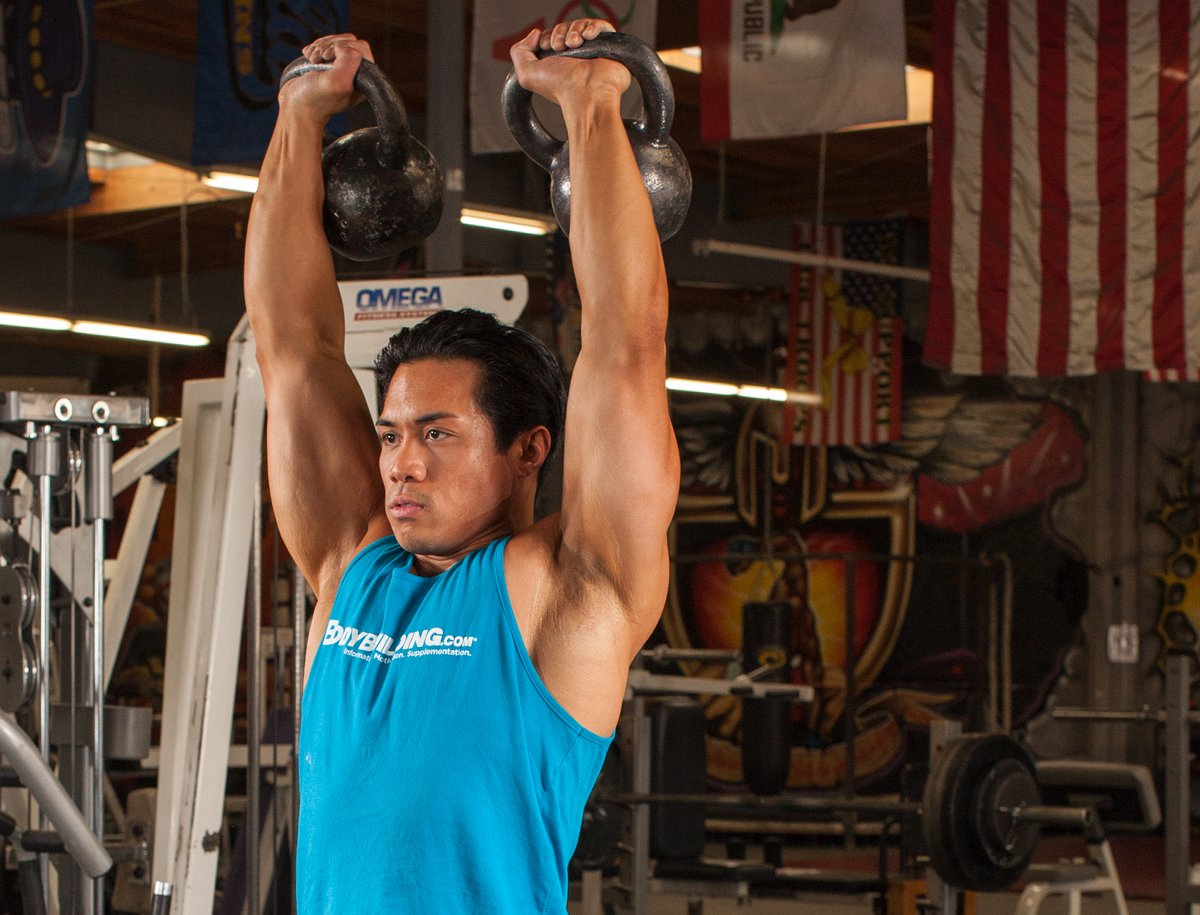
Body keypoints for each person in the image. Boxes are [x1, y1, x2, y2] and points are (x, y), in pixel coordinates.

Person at [243, 18, 679, 915]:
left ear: (529, 449)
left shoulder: (570, 592)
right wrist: (299, 119)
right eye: (393, 433)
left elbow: (625, 344)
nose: (402, 463)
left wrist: (593, 103)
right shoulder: (349, 563)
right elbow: (293, 346)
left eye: (438, 434)